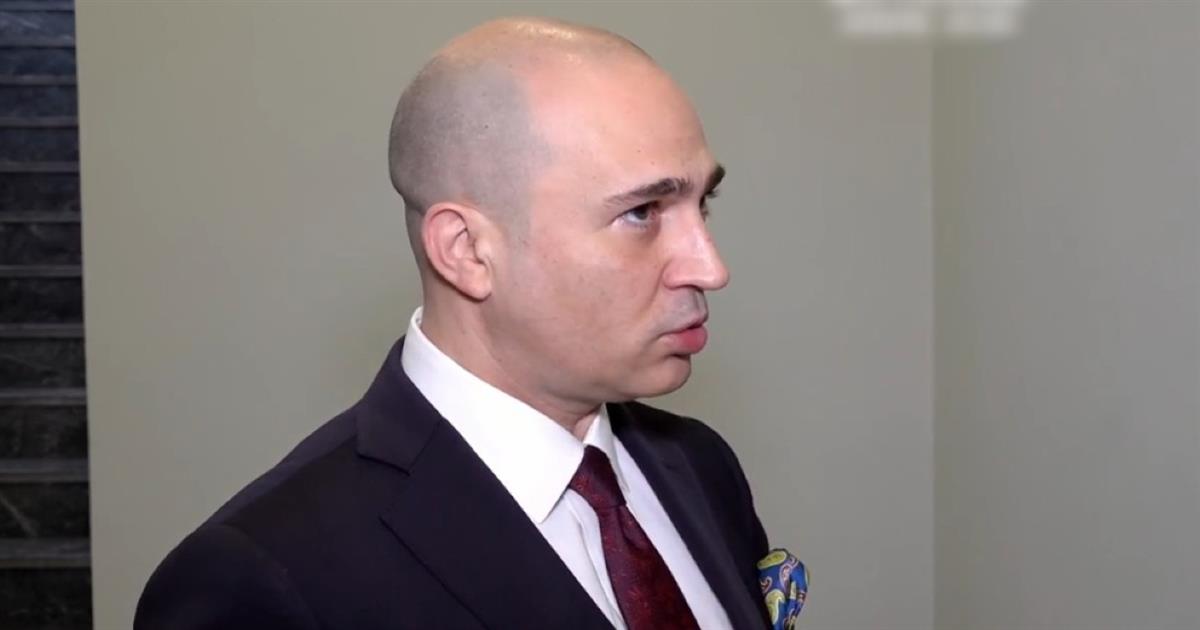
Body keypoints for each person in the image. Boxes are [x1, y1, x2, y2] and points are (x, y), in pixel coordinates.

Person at [135, 17, 775, 630]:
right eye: (643, 212)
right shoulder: (267, 576)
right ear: (467, 251)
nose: (710, 267)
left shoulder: (697, 466)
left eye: (703, 203)